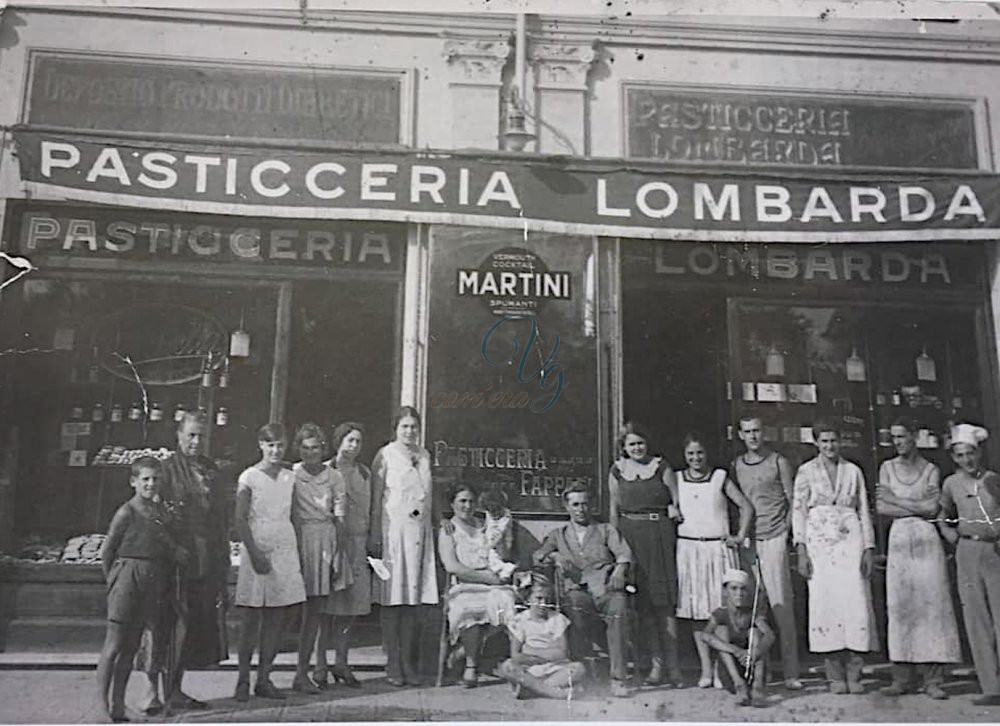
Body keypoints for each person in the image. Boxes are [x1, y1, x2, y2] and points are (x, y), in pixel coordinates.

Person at [137, 412, 229, 714]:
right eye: (190, 435)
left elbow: (219, 519)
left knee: (187, 626)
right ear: (178, 436)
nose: (196, 441)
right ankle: (151, 692)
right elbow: (152, 516)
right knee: (161, 623)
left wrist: (220, 560)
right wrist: (171, 547)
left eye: (201, 435)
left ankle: (175, 690)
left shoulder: (210, 470)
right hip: (171, 559)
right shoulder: (165, 470)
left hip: (202, 559)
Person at [876, 417, 959, 700]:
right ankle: (901, 678)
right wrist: (915, 505)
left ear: (914, 436)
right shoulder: (887, 468)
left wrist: (896, 500)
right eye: (894, 437)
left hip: (926, 540)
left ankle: (933, 679)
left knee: (931, 605)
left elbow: (932, 509)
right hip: (899, 540)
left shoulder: (931, 469)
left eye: (902, 436)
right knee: (901, 606)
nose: (897, 442)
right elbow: (881, 507)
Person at [97, 458, 186, 722]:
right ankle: (102, 706)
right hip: (128, 579)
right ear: (133, 481)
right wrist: (114, 582)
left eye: (156, 479)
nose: (151, 484)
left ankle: (118, 704)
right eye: (145, 479)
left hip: (152, 581)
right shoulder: (126, 512)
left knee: (132, 647)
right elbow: (108, 550)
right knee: (114, 644)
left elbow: (164, 542)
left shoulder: (159, 512)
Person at [792, 418, 876, 695]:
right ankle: (834, 674)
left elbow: (864, 509)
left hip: (850, 540)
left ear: (841, 441)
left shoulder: (853, 471)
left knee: (855, 602)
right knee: (825, 604)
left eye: (834, 440)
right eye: (824, 441)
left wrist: (868, 547)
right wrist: (801, 549)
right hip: (819, 543)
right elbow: (798, 511)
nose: (830, 446)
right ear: (816, 442)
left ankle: (855, 672)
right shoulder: (806, 471)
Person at [532, 485, 633, 698]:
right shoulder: (559, 534)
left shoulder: (605, 529)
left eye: (585, 504)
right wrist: (555, 556)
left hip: (605, 588)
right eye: (575, 504)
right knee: (574, 607)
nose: (581, 509)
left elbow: (624, 554)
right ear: (567, 507)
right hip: (577, 590)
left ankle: (618, 679)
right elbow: (538, 556)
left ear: (591, 505)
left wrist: (620, 569)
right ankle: (583, 676)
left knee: (618, 608)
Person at [233, 423, 307, 701]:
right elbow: (240, 519)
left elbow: (295, 516)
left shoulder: (290, 477)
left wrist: (298, 553)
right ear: (261, 445)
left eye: (280, 445)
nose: (276, 451)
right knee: (251, 618)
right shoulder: (249, 477)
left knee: (277, 616)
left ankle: (264, 678)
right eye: (270, 445)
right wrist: (254, 553)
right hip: (257, 546)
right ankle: (242, 679)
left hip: (284, 547)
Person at [674, 432, 753, 689]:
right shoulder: (676, 479)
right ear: (684, 455)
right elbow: (669, 506)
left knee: (719, 612)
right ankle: (706, 669)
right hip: (689, 550)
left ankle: (721, 670)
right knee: (696, 613)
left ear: (707, 454)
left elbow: (746, 506)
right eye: (690, 454)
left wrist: (739, 536)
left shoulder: (720, 477)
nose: (696, 458)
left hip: (717, 549)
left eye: (700, 453)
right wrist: (670, 509)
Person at [607, 422, 684, 686]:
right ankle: (655, 666)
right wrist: (617, 547)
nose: (637, 448)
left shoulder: (661, 467)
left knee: (664, 604)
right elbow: (614, 510)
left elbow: (677, 502)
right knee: (643, 606)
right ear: (624, 447)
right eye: (631, 444)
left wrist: (673, 510)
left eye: (640, 443)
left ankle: (674, 668)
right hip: (631, 539)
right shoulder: (617, 470)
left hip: (658, 536)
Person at [369, 406, 439, 686]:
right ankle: (393, 662)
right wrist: (375, 534)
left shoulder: (425, 455)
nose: (409, 431)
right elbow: (377, 499)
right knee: (392, 600)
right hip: (393, 533)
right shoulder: (385, 455)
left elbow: (427, 495)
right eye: (404, 427)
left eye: (413, 427)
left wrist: (439, 521)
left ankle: (409, 662)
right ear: (396, 429)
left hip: (419, 534)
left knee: (412, 602)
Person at [731, 416, 801, 691]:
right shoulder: (736, 465)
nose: (753, 436)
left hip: (774, 538)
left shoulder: (778, 461)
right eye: (747, 431)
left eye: (757, 431)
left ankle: (791, 672)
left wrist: (785, 531)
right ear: (741, 434)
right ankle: (762, 671)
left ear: (764, 432)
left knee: (781, 607)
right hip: (749, 542)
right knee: (753, 611)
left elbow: (793, 500)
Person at [939, 422, 1000, 707]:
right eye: (961, 455)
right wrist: (950, 535)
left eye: (971, 454)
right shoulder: (951, 484)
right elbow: (942, 515)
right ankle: (991, 687)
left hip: (994, 551)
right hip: (967, 551)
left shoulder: (993, 480)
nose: (967, 460)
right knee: (976, 620)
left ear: (979, 453)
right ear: (954, 457)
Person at [438, 483, 518, 687]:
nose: (467, 506)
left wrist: (501, 538)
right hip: (464, 585)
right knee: (469, 609)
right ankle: (471, 666)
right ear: (452, 504)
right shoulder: (448, 530)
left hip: (491, 584)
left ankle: (462, 651)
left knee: (507, 603)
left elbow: (501, 554)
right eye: (462, 501)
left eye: (471, 501)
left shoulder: (484, 525)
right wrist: (486, 578)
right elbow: (452, 566)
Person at [291, 423, 346, 694]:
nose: (310, 452)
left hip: (325, 540)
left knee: (315, 611)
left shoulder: (334, 477)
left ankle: (304, 672)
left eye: (314, 448)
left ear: (322, 449)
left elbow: (340, 518)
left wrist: (337, 554)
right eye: (304, 447)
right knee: (289, 610)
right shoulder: (292, 474)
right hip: (297, 540)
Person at [317, 422, 371, 689]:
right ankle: (319, 665)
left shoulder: (364, 472)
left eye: (358, 441)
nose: (354, 446)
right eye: (350, 440)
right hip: (333, 543)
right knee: (326, 608)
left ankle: (341, 662)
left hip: (358, 544)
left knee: (351, 608)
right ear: (339, 441)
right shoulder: (326, 470)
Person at [497, 580, 587, 700]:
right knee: (507, 666)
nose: (543, 604)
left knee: (579, 668)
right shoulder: (519, 620)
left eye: (547, 600)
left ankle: (530, 689)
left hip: (555, 669)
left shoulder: (558, 619)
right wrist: (549, 652)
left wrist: (529, 650)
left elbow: (562, 653)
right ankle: (554, 692)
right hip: (529, 670)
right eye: (539, 599)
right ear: (528, 600)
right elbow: (516, 655)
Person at [700, 568, 774, 708]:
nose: (739, 593)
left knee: (755, 632)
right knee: (721, 631)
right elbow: (705, 635)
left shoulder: (752, 613)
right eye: (733, 588)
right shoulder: (720, 613)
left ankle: (757, 687)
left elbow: (770, 635)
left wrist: (755, 652)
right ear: (725, 591)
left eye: (743, 589)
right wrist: (735, 650)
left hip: (752, 666)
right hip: (731, 672)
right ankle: (739, 685)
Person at [479, 488, 517, 580]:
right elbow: (487, 524)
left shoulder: (505, 518)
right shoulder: (488, 514)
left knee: (494, 557)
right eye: (490, 511)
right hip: (489, 540)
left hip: (501, 544)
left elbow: (499, 535)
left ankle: (504, 570)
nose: (494, 514)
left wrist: (487, 548)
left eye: (497, 510)